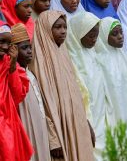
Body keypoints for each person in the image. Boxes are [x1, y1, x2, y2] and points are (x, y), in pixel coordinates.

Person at [29, 10, 94, 160]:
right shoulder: (37, 60)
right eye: (57, 27)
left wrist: (85, 123)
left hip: (75, 125)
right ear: (45, 28)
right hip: (58, 130)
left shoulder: (63, 53)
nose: (63, 31)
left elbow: (75, 95)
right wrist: (53, 138)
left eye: (65, 27)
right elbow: (41, 103)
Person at [96, 17, 127, 157]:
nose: (120, 37)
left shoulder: (122, 54)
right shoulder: (101, 60)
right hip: (116, 114)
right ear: (104, 36)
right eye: (114, 34)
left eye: (121, 32)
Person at [65, 11, 108, 160]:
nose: (94, 39)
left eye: (96, 35)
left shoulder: (93, 53)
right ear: (78, 33)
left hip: (102, 116)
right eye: (90, 35)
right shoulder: (70, 59)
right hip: (87, 119)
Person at [12, 23, 50, 161]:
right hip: (25, 132)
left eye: (30, 47)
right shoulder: (13, 76)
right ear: (13, 51)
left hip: (41, 133)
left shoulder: (31, 74)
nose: (29, 51)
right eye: (24, 48)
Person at [0, 21, 33, 161]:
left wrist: (12, 66)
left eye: (9, 43)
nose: (6, 47)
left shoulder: (9, 62)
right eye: (2, 41)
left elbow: (17, 96)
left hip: (7, 124)